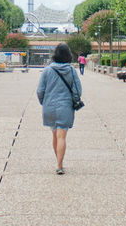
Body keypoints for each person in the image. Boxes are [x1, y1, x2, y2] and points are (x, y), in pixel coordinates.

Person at [36, 43, 82, 174]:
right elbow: (77, 90)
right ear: (68, 55)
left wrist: (43, 102)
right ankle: (59, 164)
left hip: (49, 106)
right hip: (65, 106)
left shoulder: (47, 70)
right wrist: (75, 101)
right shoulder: (71, 70)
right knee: (62, 136)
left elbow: (40, 90)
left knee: (55, 135)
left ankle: (58, 161)